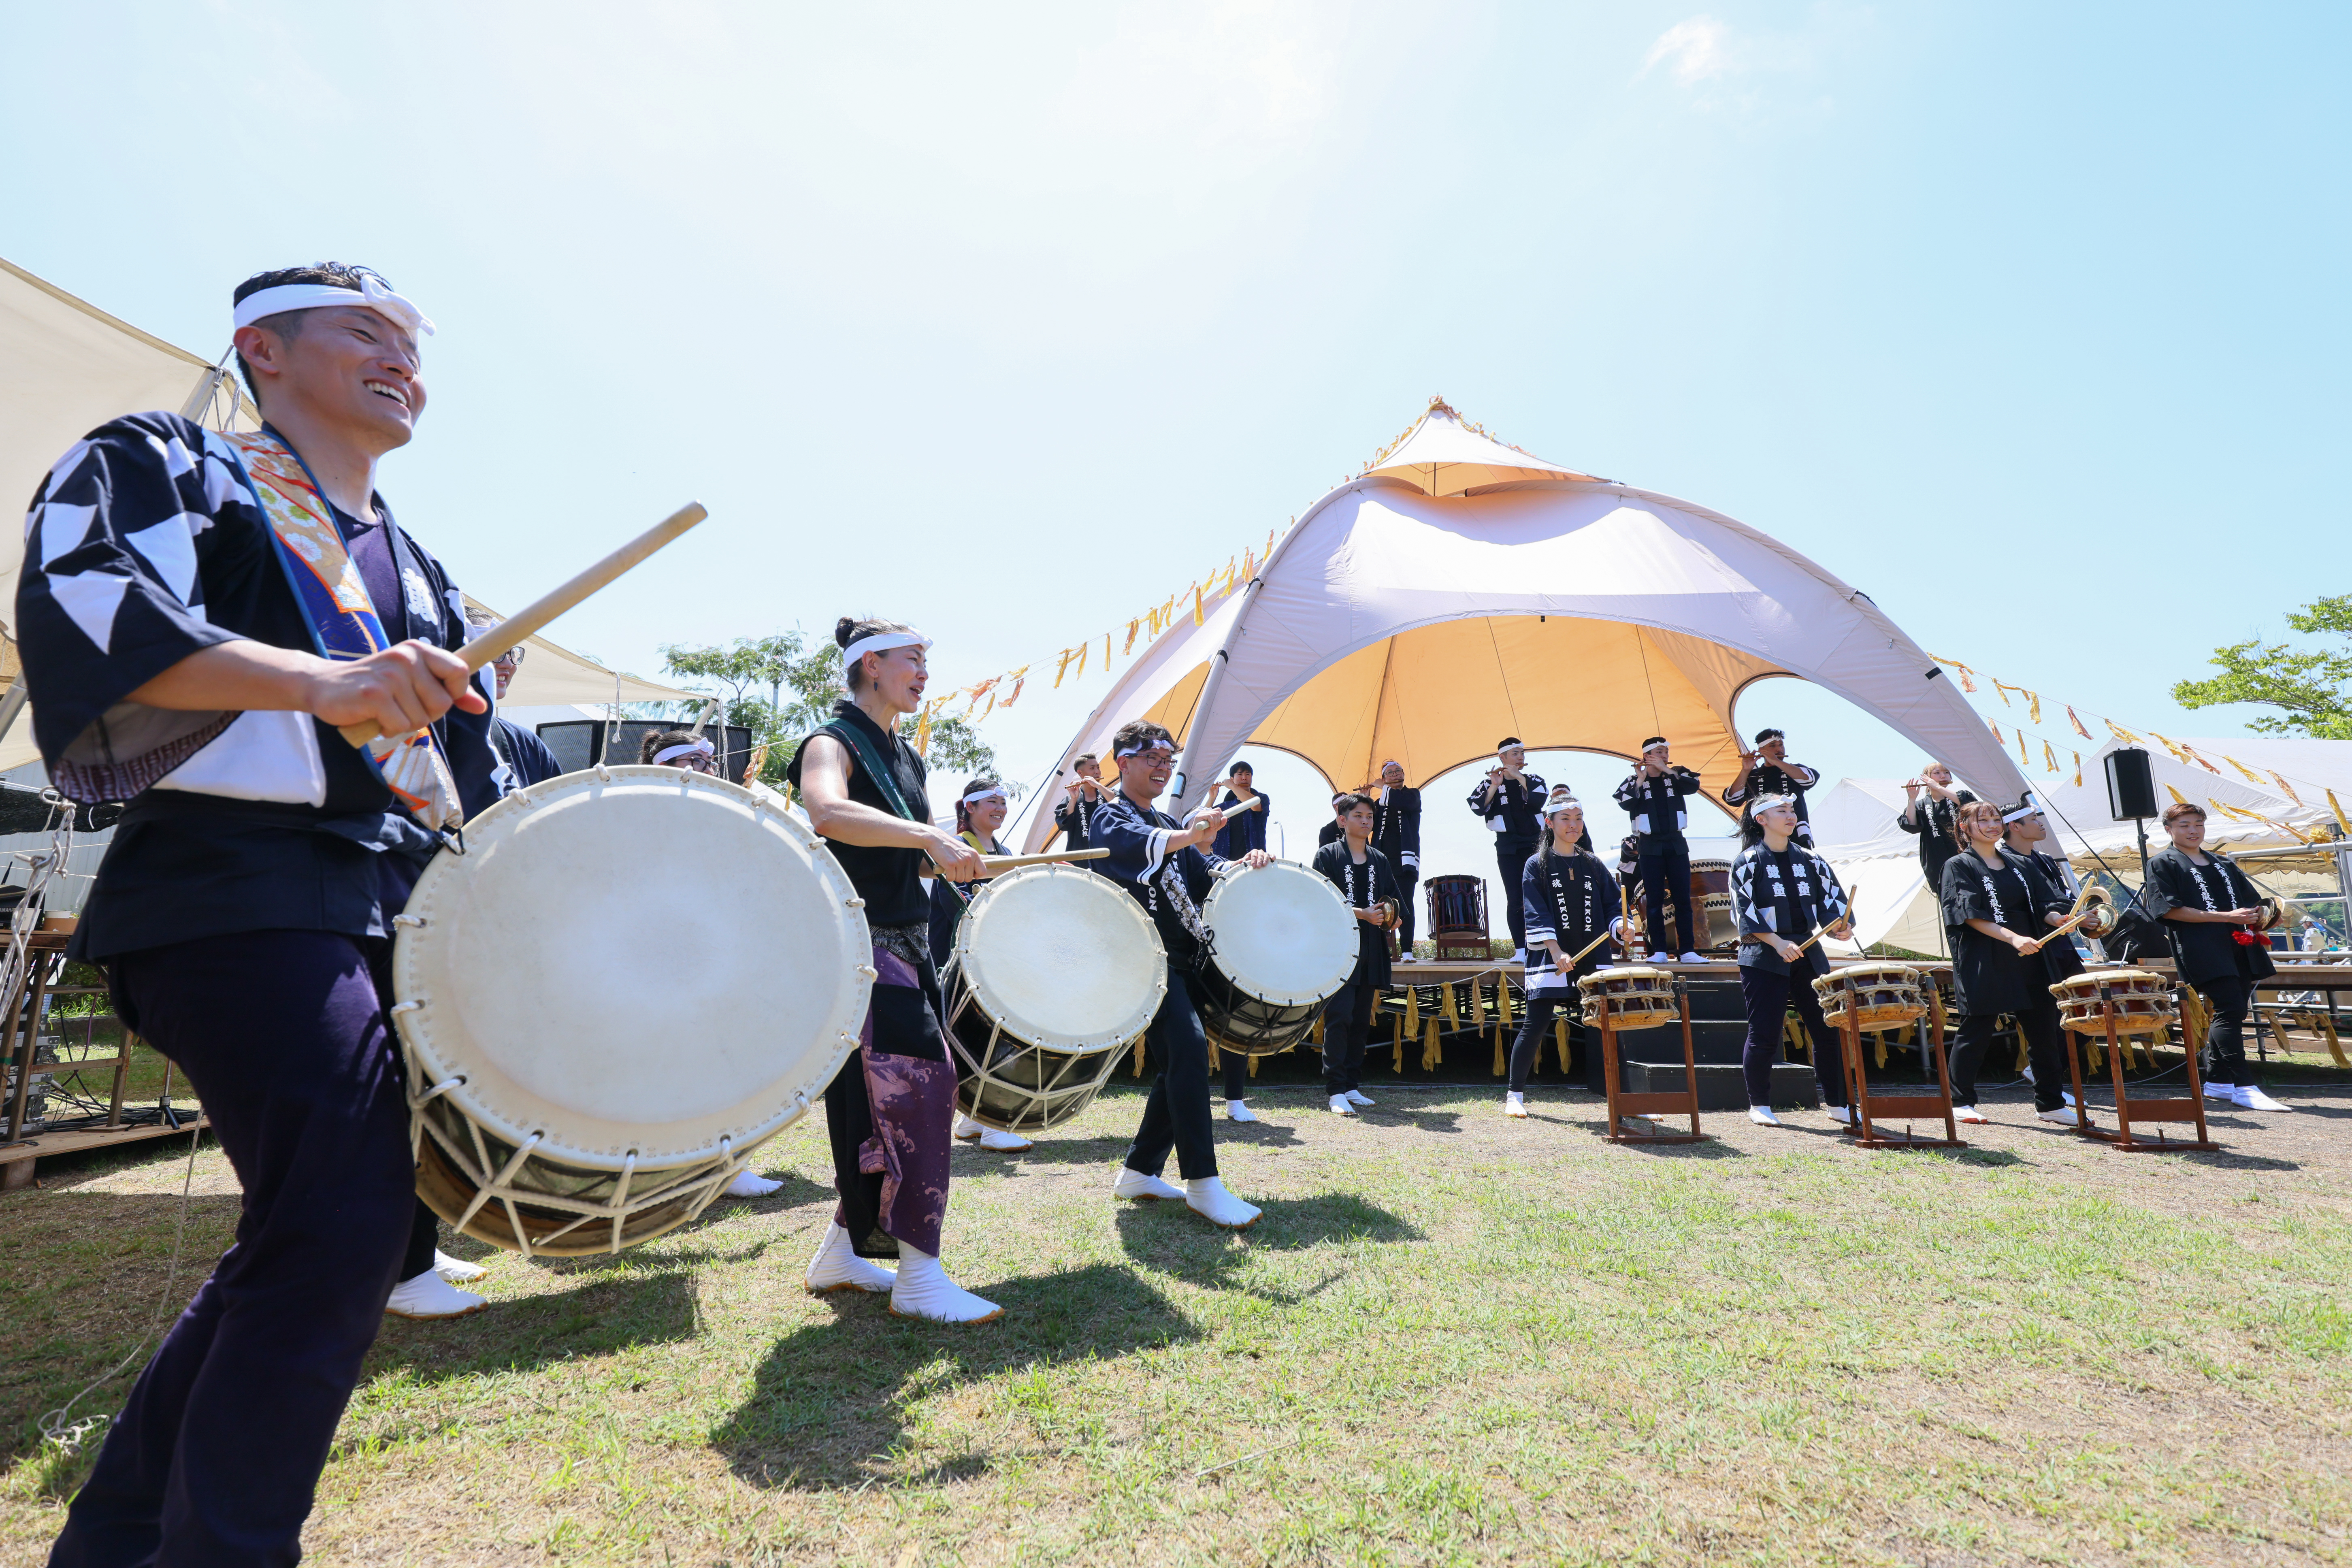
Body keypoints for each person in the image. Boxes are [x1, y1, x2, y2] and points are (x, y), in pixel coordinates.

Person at [19, 262, 507, 1563]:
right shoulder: (173, 461)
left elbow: (465, 767)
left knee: (314, 1230)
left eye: (412, 345)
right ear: (264, 350)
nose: (401, 361)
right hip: (230, 886)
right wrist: (324, 680)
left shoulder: (419, 565)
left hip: (383, 904)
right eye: (364, 333)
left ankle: (119, 1544)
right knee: (344, 1220)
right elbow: (92, 602)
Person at [784, 616, 1001, 1323]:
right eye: (913, 658)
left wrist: (950, 859)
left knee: (871, 1108)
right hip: (861, 951)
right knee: (919, 1096)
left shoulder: (907, 757)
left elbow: (901, 855)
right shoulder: (831, 742)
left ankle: (839, 1255)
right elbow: (826, 812)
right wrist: (931, 836)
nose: (925, 673)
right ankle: (919, 1278)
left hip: (908, 947)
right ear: (871, 665)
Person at [1089, 719, 1268, 1228]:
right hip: (1141, 957)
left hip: (1182, 958)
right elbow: (1144, 846)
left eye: (1168, 761)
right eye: (1153, 758)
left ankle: (1140, 1171)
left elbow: (1203, 872)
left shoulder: (1165, 821)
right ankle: (1203, 1183)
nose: (1163, 768)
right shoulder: (1109, 817)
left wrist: (1244, 862)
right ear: (1124, 762)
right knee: (1188, 1050)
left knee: (1180, 1063)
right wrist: (1189, 834)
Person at [640, 726, 796, 1198]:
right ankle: (675, 1166)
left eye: (708, 762)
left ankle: (724, 1165)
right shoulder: (637, 813)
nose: (707, 769)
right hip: (657, 959)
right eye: (695, 761)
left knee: (717, 1062)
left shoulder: (717, 817)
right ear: (664, 767)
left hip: (707, 957)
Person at [1938, 799, 2084, 1127]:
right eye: (1983, 820)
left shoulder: (2020, 864)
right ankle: (1960, 1101)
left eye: (1995, 819)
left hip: (2030, 954)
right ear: (1965, 827)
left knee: (2045, 1032)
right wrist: (2013, 938)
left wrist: (2057, 918)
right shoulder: (1958, 865)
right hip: (1985, 955)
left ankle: (2050, 1103)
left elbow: (2046, 902)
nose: (1992, 825)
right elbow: (1968, 914)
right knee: (1977, 1030)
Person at [2144, 801, 2291, 1112]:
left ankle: (2219, 1081)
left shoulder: (2223, 863)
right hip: (2202, 947)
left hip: (2240, 944)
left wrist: (2266, 916)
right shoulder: (2162, 863)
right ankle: (2243, 1085)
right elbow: (2169, 911)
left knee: (2235, 1011)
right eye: (2185, 825)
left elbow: (2253, 903)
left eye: (2198, 824)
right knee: (2229, 1007)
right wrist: (2226, 917)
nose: (2193, 830)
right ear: (2169, 830)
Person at [1729, 797, 1856, 1127]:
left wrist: (1841, 927)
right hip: (1762, 954)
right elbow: (1743, 910)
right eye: (1781, 811)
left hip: (1808, 950)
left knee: (1828, 1029)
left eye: (1792, 811)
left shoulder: (1812, 859)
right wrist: (1776, 942)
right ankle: (1759, 1104)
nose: (1791, 816)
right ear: (1761, 819)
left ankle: (1837, 1103)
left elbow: (1832, 900)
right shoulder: (1747, 861)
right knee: (1765, 1032)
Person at [929, 775, 1037, 1152]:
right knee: (986, 1039)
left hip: (994, 957)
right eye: (992, 801)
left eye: (1004, 802)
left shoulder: (1003, 851)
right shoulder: (957, 849)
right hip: (961, 961)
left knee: (987, 1039)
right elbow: (960, 905)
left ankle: (974, 1120)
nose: (1000, 808)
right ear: (970, 807)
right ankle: (995, 1126)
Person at [1505, 790, 1621, 1118]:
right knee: (1536, 1024)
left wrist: (1621, 927)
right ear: (1549, 823)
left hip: (1592, 952)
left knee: (1606, 1025)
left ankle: (1620, 1096)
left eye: (1579, 819)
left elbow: (1613, 905)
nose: (1574, 825)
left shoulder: (1593, 863)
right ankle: (1515, 1094)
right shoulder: (1536, 865)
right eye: (1566, 819)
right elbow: (1536, 912)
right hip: (1551, 955)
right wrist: (1556, 951)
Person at [1312, 792, 1400, 1116]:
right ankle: (1335, 1090)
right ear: (1342, 820)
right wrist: (1361, 914)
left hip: (1372, 949)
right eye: (1358, 816)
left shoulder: (1380, 859)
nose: (1365, 821)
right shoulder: (1327, 855)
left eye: (1370, 816)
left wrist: (1392, 916)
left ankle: (1351, 1085)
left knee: (1362, 1020)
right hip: (1339, 948)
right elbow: (1319, 902)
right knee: (1340, 1017)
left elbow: (1395, 903)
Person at [1613, 737, 1707, 963]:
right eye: (1659, 752)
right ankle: (1659, 951)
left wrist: (1667, 770)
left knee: (1683, 898)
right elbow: (1624, 802)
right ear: (1647, 756)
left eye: (1666, 752)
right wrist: (1640, 780)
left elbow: (1693, 786)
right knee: (1654, 899)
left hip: (1676, 842)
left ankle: (1688, 951)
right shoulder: (1634, 779)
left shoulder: (1677, 774)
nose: (1664, 756)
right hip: (1649, 844)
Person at [1468, 738, 1549, 962]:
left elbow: (1539, 801)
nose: (1520, 757)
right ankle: (1520, 950)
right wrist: (1494, 785)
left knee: (1540, 894)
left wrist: (1520, 777)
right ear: (1502, 758)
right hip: (1507, 847)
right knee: (1514, 897)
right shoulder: (1489, 782)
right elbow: (1477, 807)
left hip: (1535, 844)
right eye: (1515, 754)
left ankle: (1543, 946)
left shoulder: (1533, 779)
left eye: (1522, 753)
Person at [467, 607, 562, 791]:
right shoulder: (420, 739)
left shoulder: (528, 746)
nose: (508, 664)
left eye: (512, 653)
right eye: (494, 651)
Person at [1723, 728, 1821, 844]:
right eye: (1773, 746)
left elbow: (1810, 780)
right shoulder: (1752, 776)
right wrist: (1746, 770)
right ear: (1762, 751)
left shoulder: (1795, 770)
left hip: (1795, 834)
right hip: (1761, 835)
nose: (1779, 749)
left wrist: (1776, 761)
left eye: (1781, 745)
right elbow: (1732, 799)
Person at [1368, 760, 1423, 959]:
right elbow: (1366, 825)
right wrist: (1365, 801)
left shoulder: (1412, 795)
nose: (1395, 775)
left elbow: (1404, 803)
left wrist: (1383, 788)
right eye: (1389, 773)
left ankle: (1407, 950)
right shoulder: (1378, 805)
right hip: (1381, 860)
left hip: (1404, 861)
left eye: (1398, 771)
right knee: (1379, 905)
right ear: (1384, 779)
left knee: (1405, 904)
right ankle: (1380, 951)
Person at [1896, 763, 1974, 901]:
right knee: (1949, 901)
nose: (1943, 776)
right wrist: (1912, 799)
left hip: (1964, 856)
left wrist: (1937, 787)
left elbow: (1971, 807)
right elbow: (1911, 826)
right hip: (1937, 860)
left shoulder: (1959, 797)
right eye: (1937, 773)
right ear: (1926, 778)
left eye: (1946, 773)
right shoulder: (1921, 805)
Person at [1210, 761, 1269, 859]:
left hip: (1254, 861)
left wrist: (1232, 786)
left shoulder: (1262, 799)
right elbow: (1202, 819)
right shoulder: (1225, 807)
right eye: (1240, 775)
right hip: (1226, 863)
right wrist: (1212, 798)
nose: (1244, 778)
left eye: (1248, 775)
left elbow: (1254, 805)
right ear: (1232, 779)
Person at [1052, 752, 1105, 852]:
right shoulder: (1069, 800)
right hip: (1080, 856)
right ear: (1080, 773)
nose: (1097, 772)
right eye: (1092, 768)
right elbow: (1064, 826)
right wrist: (1073, 799)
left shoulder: (1108, 794)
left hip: (1108, 855)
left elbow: (1121, 806)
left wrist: (1099, 786)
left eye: (1098, 768)